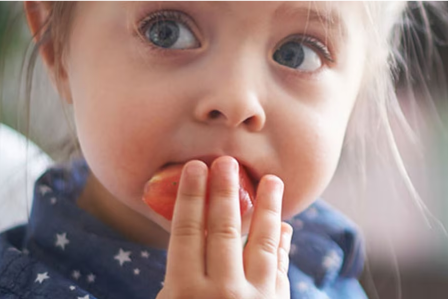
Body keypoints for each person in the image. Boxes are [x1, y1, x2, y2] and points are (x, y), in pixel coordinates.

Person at [0, 0, 445, 298]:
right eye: (167, 31)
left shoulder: (326, 265)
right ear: (57, 45)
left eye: (297, 53)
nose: (236, 101)